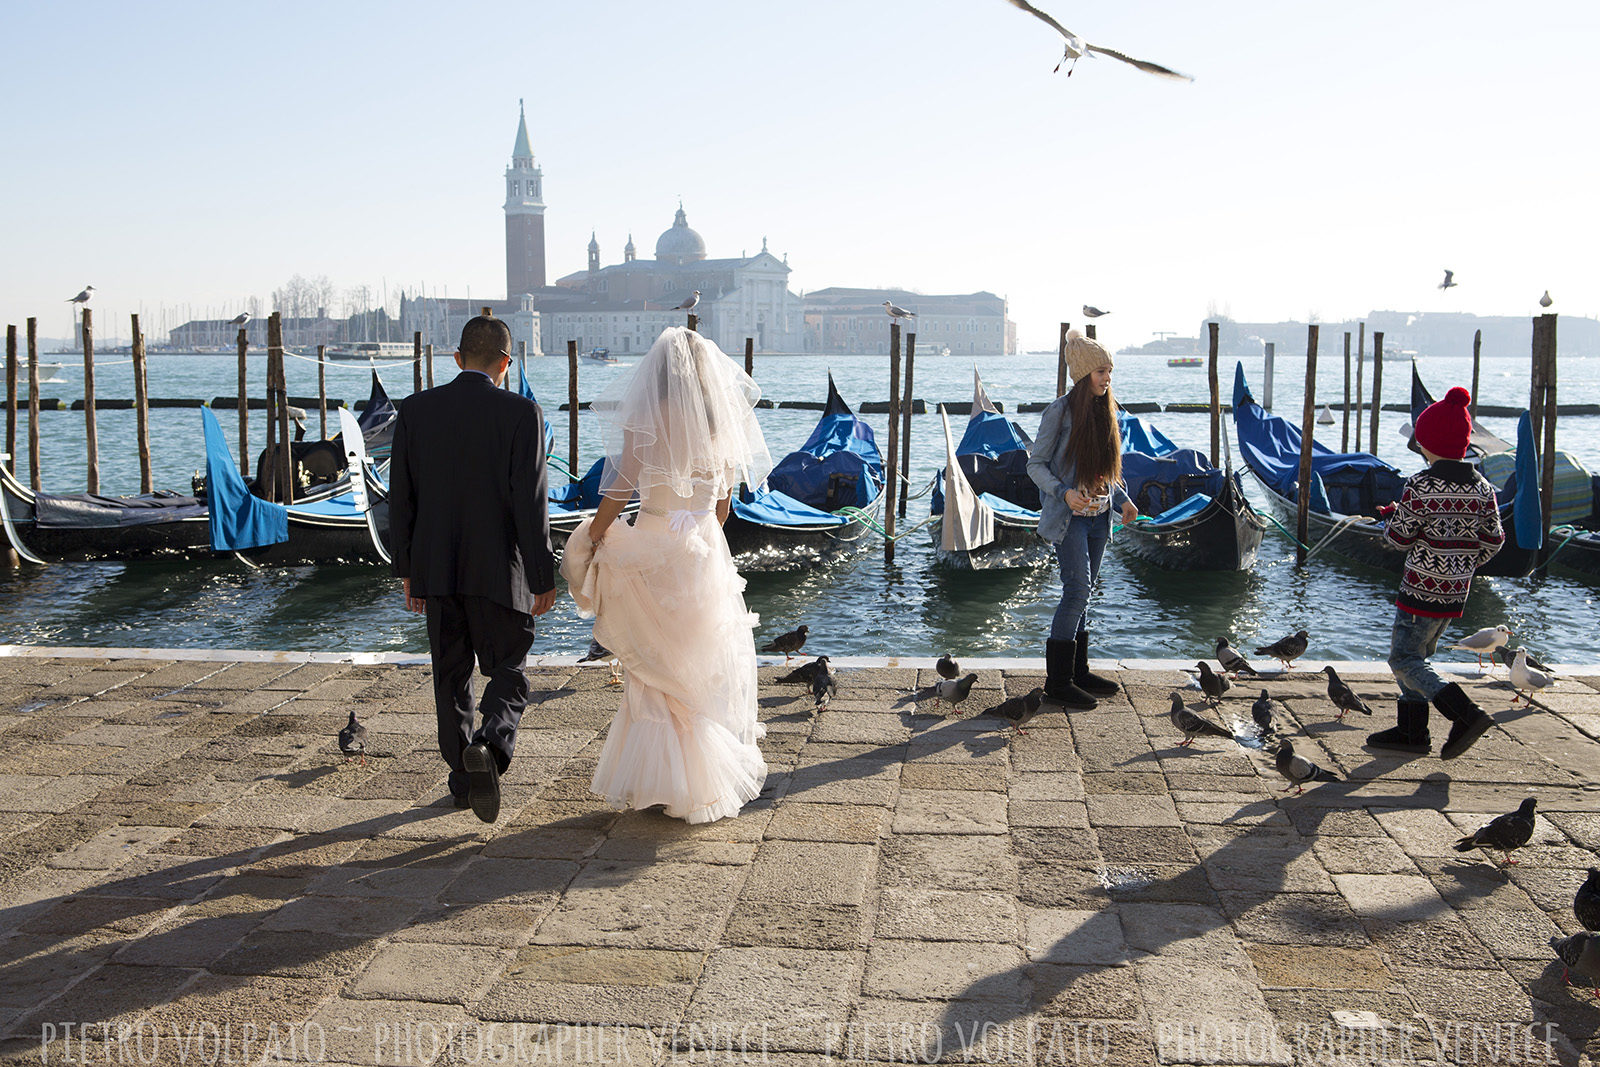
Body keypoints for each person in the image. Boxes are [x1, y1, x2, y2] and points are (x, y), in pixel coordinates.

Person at [559, 326, 772, 824]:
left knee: (654, 663)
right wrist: (696, 534)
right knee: (697, 665)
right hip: (701, 551)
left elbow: (620, 487)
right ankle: (696, 782)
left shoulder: (647, 416)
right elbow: (721, 506)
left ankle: (659, 784)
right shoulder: (719, 422)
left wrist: (596, 533)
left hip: (652, 546)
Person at [388, 315, 557, 823]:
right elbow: (531, 503)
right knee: (509, 669)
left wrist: (408, 570)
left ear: (456, 358)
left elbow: (402, 499)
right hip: (500, 570)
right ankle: (489, 745)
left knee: (451, 676)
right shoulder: (521, 412)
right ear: (506, 363)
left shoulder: (415, 411)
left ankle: (463, 778)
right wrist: (543, 575)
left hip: (436, 569)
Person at [1367, 386, 1503, 760]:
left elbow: (1399, 538)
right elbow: (1494, 540)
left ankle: (1466, 714)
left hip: (1419, 590)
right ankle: (1412, 731)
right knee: (1418, 656)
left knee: (1404, 660)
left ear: (1427, 444)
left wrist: (1390, 518)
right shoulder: (1483, 488)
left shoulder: (1420, 485)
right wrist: (1462, 566)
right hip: (1455, 594)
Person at [1027, 330, 1139, 710]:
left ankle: (1078, 670)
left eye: (1110, 371)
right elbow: (1035, 464)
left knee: (1086, 592)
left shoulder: (1106, 409)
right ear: (1083, 374)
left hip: (1100, 518)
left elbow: (1106, 471)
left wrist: (1123, 499)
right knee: (1077, 590)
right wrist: (1064, 493)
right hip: (1070, 518)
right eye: (1101, 372)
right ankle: (1058, 683)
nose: (1107, 378)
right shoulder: (1059, 411)